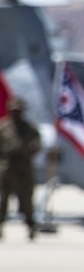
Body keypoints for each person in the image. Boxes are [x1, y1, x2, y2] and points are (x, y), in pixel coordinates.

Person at [0, 97, 41, 240]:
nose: (15, 114)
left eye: (18, 111)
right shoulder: (3, 128)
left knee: (26, 200)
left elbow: (38, 144)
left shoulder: (29, 128)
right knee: (2, 199)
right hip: (7, 168)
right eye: (13, 111)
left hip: (24, 168)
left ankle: (30, 226)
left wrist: (30, 151)